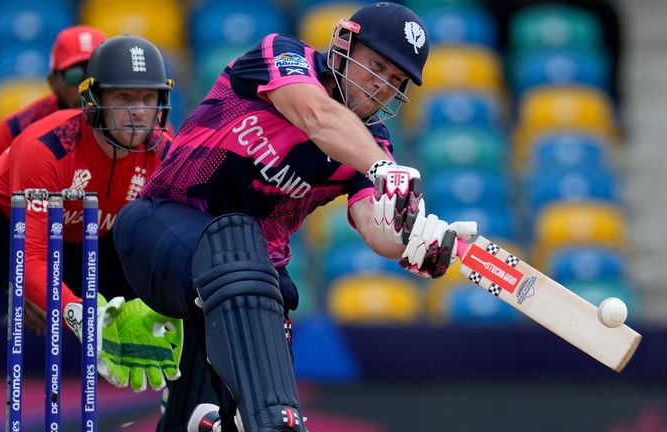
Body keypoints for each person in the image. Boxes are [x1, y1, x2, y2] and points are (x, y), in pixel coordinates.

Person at [113, 2, 478, 431]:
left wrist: (414, 240)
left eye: (395, 80)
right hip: (160, 229)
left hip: (245, 290)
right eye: (376, 65)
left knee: (210, 410)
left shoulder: (373, 144)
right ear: (344, 45)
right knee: (239, 249)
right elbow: (317, 116)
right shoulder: (285, 56)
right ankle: (274, 421)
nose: (382, 86)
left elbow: (372, 224)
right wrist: (381, 169)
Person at [0, 35, 183, 432]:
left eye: (147, 98)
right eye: (122, 98)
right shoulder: (45, 144)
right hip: (3, 226)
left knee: (187, 274)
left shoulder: (166, 154)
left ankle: (193, 411)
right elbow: (29, 257)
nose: (137, 113)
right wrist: (82, 314)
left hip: (91, 239)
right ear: (92, 99)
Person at [0, 25, 107, 164]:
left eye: (95, 74)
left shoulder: (126, 127)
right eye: (74, 75)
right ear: (52, 81)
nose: (86, 85)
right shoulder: (14, 131)